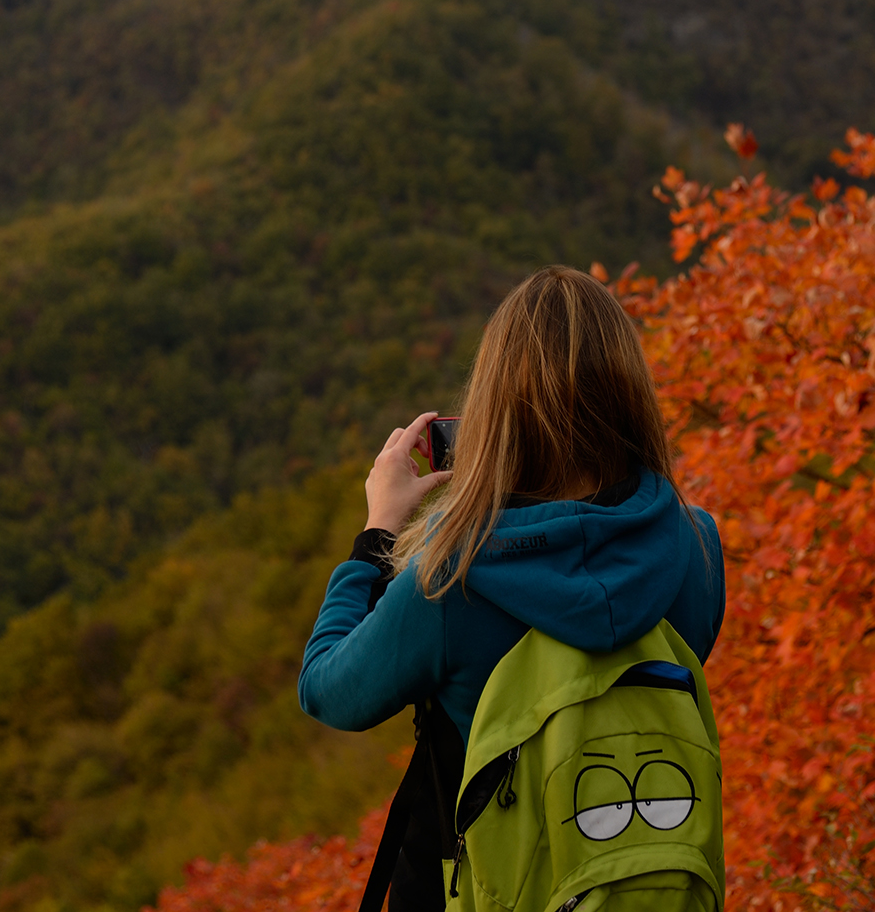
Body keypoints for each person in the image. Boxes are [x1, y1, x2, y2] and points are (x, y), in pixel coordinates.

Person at [299, 265, 726, 911]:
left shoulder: (450, 580)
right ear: (632, 396)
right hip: (647, 874)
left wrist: (377, 533)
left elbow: (328, 691)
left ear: (495, 409)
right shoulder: (695, 546)